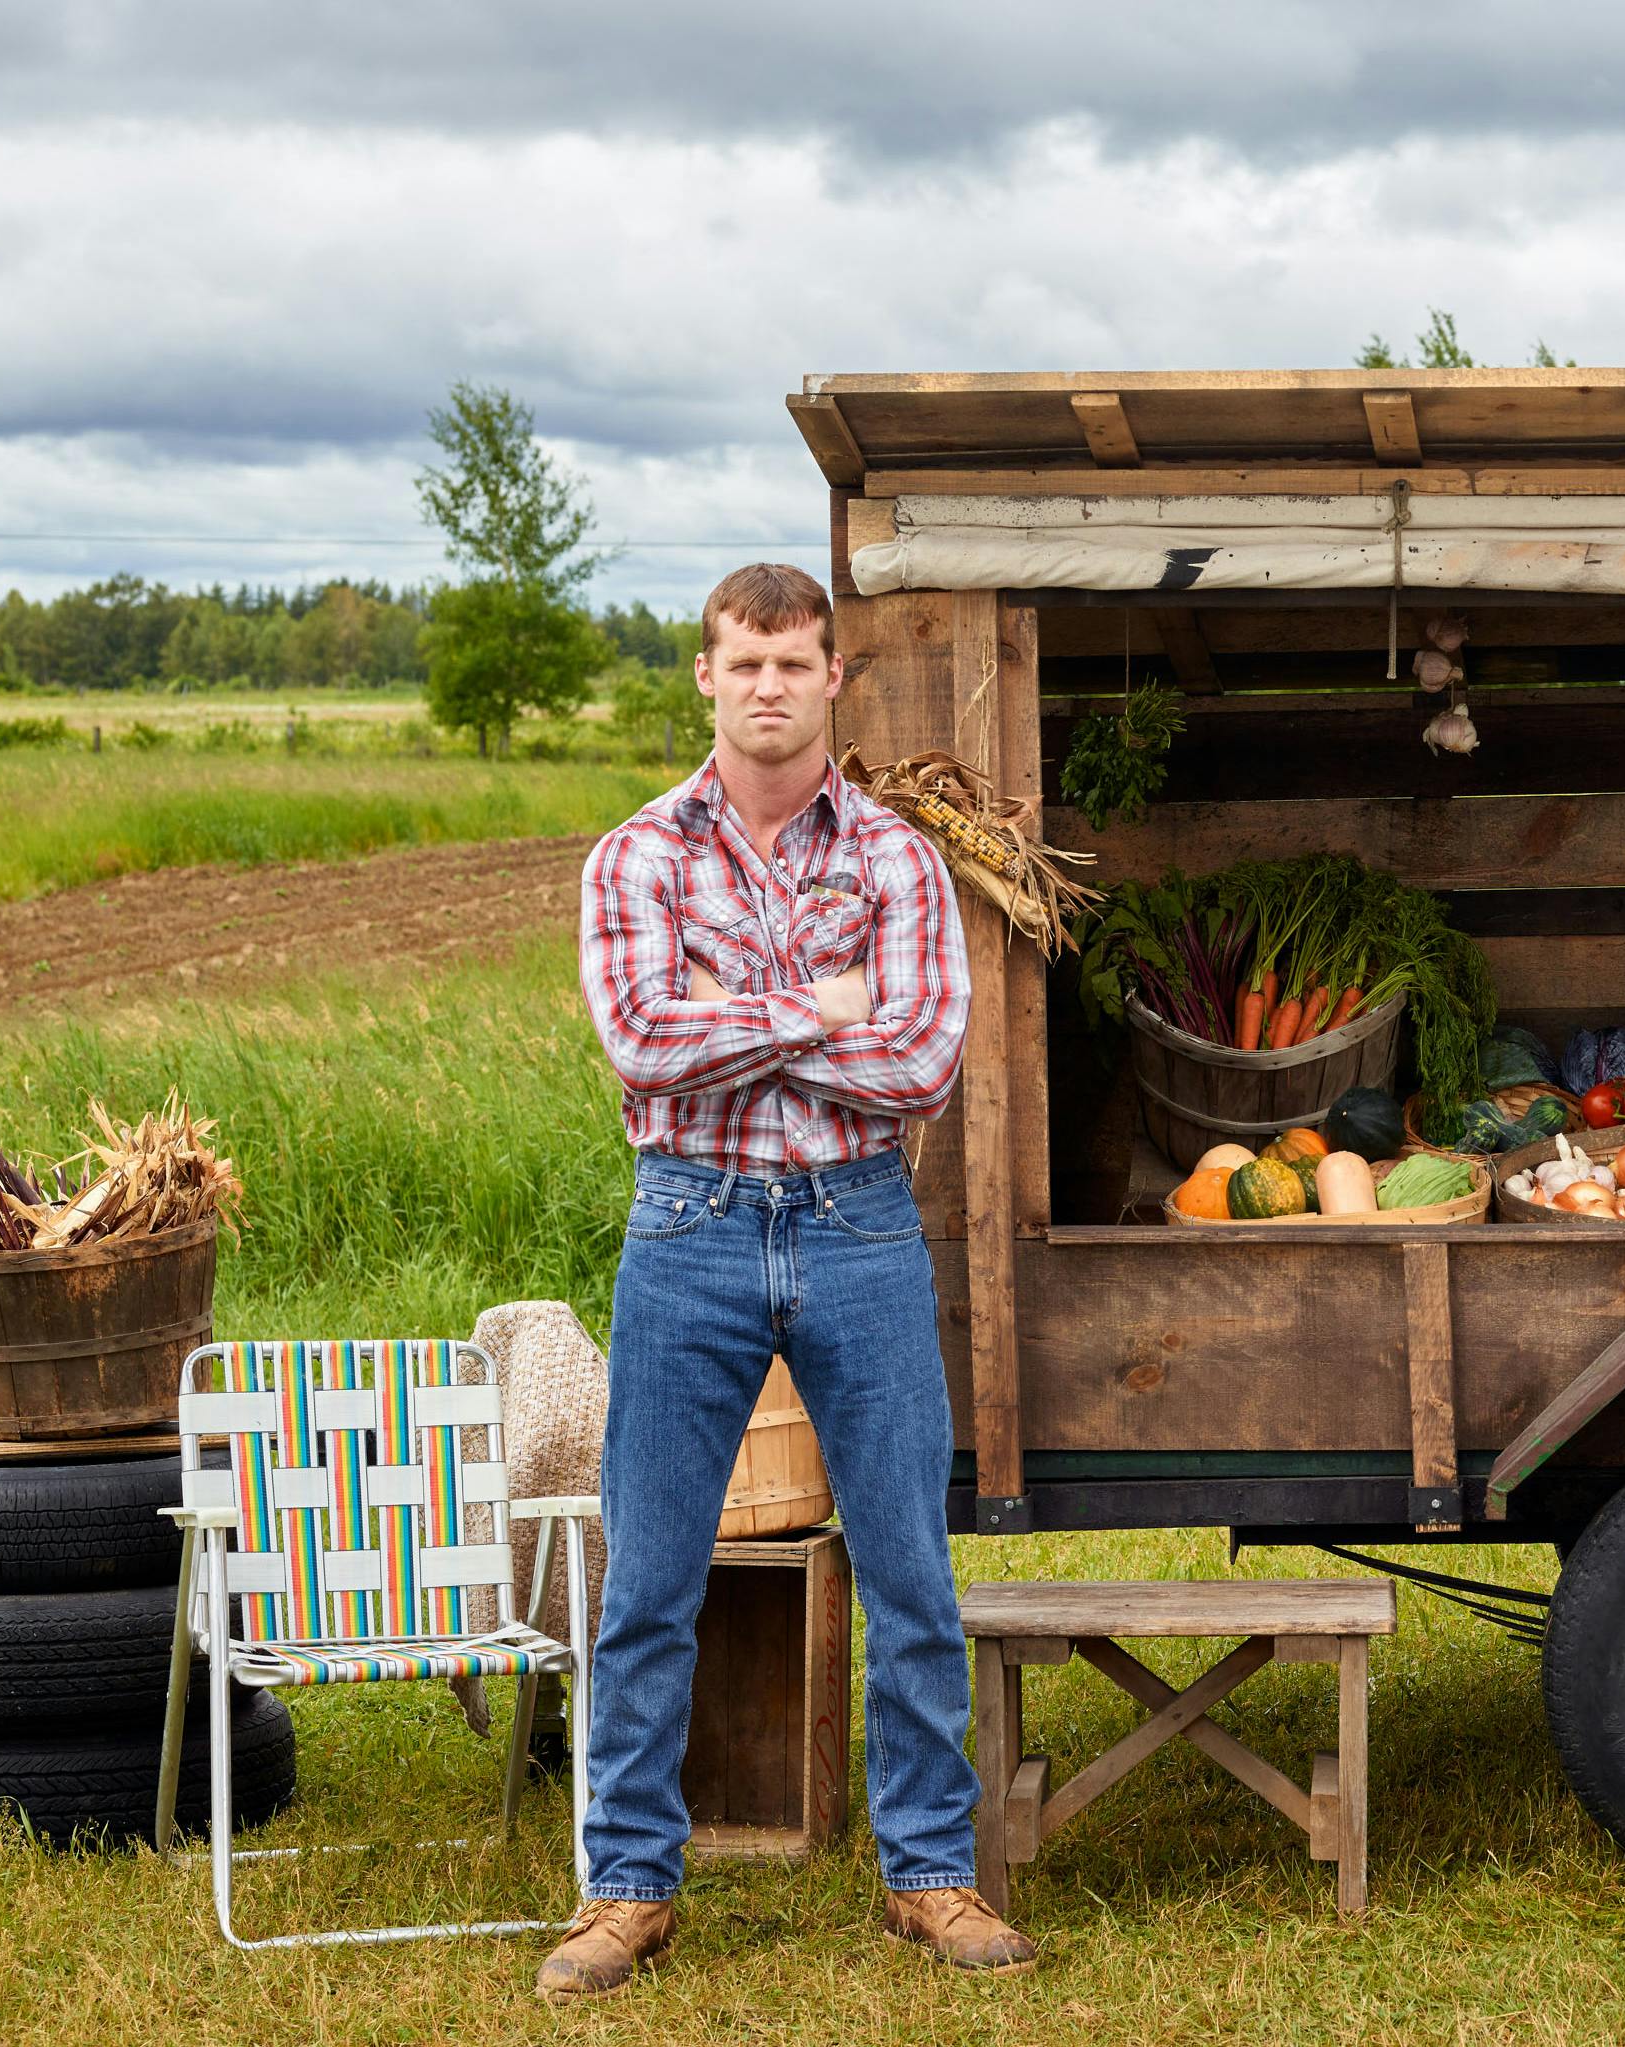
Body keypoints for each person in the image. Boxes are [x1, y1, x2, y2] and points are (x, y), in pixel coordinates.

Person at [539, 562, 1035, 2001]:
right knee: (651, 1572)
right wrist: (817, 1006)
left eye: (794, 665)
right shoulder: (635, 857)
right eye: (742, 664)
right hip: (687, 1226)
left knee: (908, 1566)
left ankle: (930, 1873)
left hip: (860, 1222)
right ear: (706, 675)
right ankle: (628, 1888)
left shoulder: (895, 859)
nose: (768, 687)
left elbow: (921, 1061)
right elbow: (641, 1044)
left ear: (834, 679)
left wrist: (728, 1019)